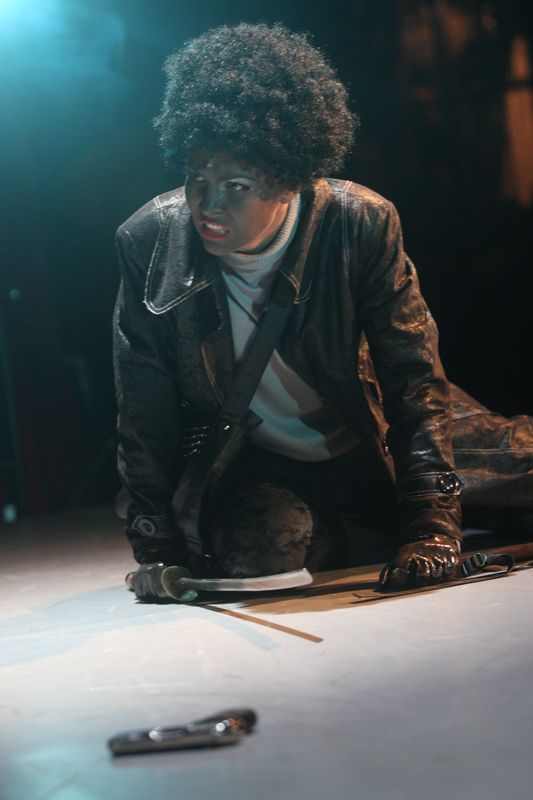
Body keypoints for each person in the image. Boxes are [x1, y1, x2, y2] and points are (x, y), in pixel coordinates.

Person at [113, 22, 533, 601]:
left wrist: (433, 526)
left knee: (519, 466)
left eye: (236, 185)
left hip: (375, 429)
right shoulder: (149, 242)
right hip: (268, 464)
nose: (207, 204)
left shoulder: (358, 222)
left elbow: (412, 379)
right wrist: (156, 546)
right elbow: (143, 408)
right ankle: (377, 521)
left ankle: (422, 511)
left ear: (290, 182)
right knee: (256, 551)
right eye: (196, 177)